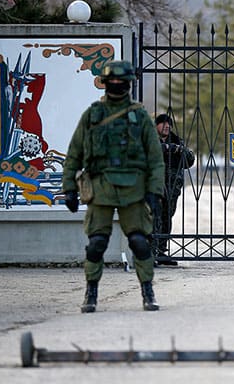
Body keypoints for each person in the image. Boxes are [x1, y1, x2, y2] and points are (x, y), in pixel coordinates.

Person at [62, 60, 165, 313]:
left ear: (129, 84)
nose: (118, 86)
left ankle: (147, 290)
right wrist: (69, 188)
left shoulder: (139, 116)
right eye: (114, 82)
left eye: (122, 82)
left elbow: (155, 158)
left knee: (140, 242)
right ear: (106, 84)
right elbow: (74, 153)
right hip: (101, 187)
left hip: (134, 189)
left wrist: (154, 191)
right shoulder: (93, 115)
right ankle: (91, 291)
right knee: (97, 243)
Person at [153, 113, 195, 266]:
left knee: (166, 218)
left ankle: (161, 251)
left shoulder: (177, 141)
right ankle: (152, 251)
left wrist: (177, 149)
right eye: (163, 123)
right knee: (154, 217)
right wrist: (164, 148)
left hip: (172, 188)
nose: (166, 126)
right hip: (154, 186)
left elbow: (190, 159)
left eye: (169, 124)